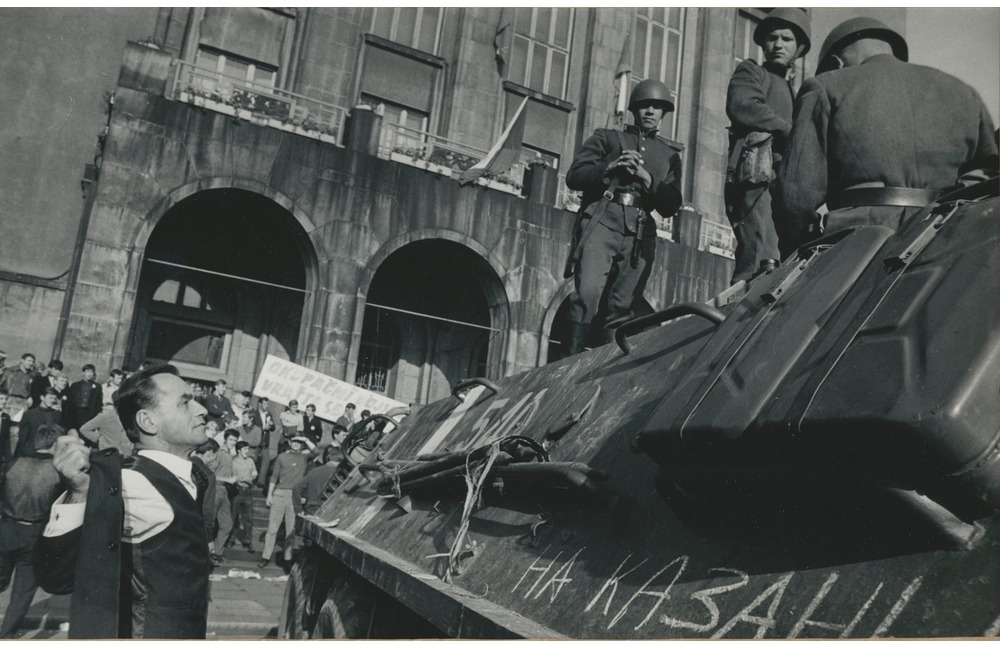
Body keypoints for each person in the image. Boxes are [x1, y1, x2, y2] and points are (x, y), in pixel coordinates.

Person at [780, 17, 998, 250]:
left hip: (856, 244)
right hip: (947, 238)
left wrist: (798, 246)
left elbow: (796, 196)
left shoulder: (824, 86)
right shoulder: (963, 91)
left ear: (835, 63)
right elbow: (989, 175)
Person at [34, 364, 212, 638]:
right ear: (148, 422)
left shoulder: (195, 476)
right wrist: (78, 493)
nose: (202, 409)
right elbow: (56, 576)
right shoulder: (130, 482)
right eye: (185, 403)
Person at [564, 79, 683, 354]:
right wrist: (611, 167)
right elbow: (574, 176)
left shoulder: (669, 156)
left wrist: (647, 179)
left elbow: (671, 205)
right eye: (644, 106)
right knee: (587, 294)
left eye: (656, 107)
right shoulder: (607, 138)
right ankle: (565, 364)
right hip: (603, 219)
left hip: (640, 233)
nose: (650, 112)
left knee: (622, 306)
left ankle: (604, 364)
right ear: (634, 109)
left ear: (664, 112)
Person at [724, 8, 810, 284]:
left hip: (784, 185)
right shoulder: (751, 71)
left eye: (787, 39)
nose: (778, 45)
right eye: (773, 38)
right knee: (757, 256)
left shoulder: (794, 91)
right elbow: (744, 106)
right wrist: (790, 130)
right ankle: (735, 322)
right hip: (756, 178)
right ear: (763, 43)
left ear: (799, 49)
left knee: (782, 263)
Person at [0, 425, 64, 638]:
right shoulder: (56, 472)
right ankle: (6, 634)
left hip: (6, 528)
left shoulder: (14, 463)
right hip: (34, 534)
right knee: (22, 592)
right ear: (54, 445)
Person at [258, 435, 316, 568]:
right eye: (294, 442)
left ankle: (287, 559)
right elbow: (274, 477)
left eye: (299, 442)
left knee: (291, 530)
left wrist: (306, 439)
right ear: (289, 443)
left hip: (294, 496)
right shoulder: (282, 457)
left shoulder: (304, 457)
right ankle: (265, 557)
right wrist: (269, 495)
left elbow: (316, 452)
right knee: (272, 529)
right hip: (279, 494)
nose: (296, 444)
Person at [209, 429, 239, 565]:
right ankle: (206, 555)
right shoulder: (219, 454)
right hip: (215, 489)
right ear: (225, 440)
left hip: (224, 491)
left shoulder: (230, 455)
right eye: (231, 440)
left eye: (235, 440)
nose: (233, 443)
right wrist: (228, 480)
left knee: (227, 524)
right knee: (210, 523)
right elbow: (210, 474)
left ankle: (217, 553)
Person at [292, 445, 341, 517]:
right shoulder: (339, 474)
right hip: (329, 508)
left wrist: (298, 509)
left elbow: (296, 488)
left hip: (311, 508)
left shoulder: (314, 471)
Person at [13, 387, 61, 459]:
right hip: (32, 454)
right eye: (50, 398)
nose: (53, 400)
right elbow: (23, 439)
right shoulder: (29, 414)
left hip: (51, 455)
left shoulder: (57, 414)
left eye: (54, 398)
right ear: (42, 397)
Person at [229, 441, 258, 553]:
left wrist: (252, 477)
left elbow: (255, 473)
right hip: (237, 491)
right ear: (238, 451)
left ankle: (247, 541)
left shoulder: (250, 461)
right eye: (245, 449)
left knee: (248, 518)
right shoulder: (233, 462)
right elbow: (230, 475)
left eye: (248, 449)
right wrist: (238, 480)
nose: (247, 451)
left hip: (248, 491)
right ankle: (230, 540)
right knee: (233, 517)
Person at [63, 364, 104, 433]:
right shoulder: (75, 385)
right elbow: (70, 401)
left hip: (89, 413)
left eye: (91, 372)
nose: (89, 374)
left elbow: (98, 403)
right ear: (83, 373)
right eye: (87, 372)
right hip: (76, 412)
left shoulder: (97, 387)